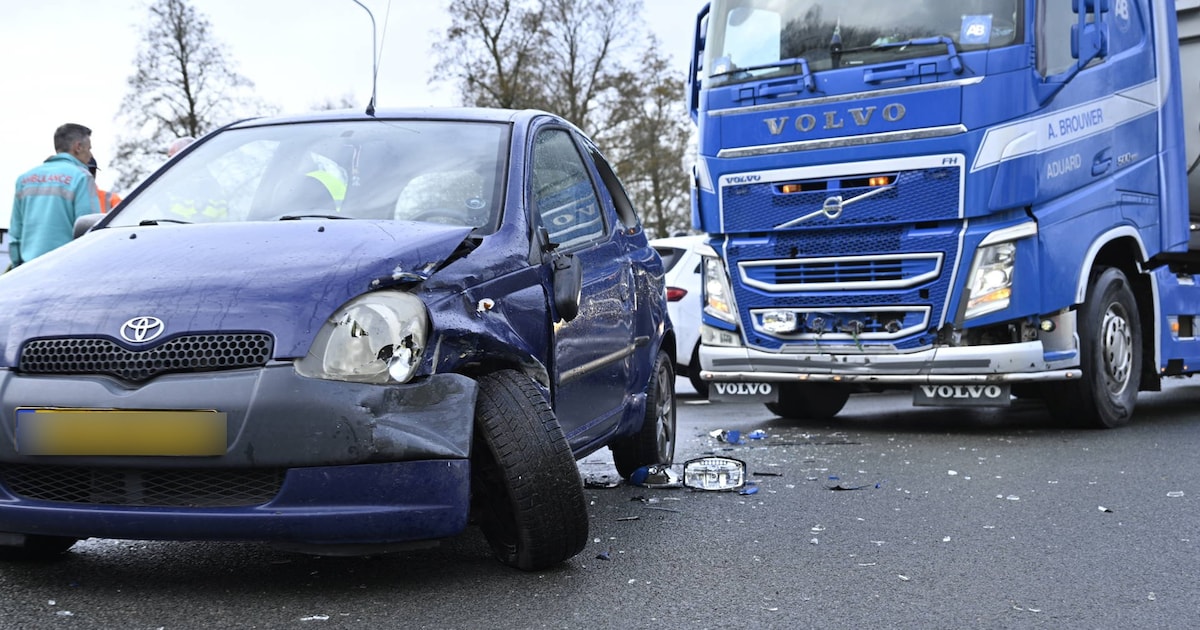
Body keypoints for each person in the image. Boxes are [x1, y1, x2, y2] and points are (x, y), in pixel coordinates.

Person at [8, 123, 101, 268]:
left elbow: (15, 236)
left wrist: (17, 267)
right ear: (78, 147)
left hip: (28, 270)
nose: (90, 155)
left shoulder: (24, 179)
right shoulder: (82, 177)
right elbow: (90, 231)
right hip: (65, 269)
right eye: (89, 149)